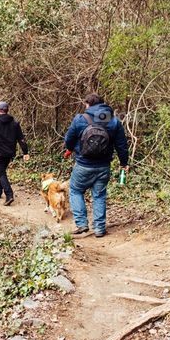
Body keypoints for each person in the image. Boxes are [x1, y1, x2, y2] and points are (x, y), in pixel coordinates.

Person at [62, 92, 129, 238]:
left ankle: (82, 225)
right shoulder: (113, 120)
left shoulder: (80, 119)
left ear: (88, 104)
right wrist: (124, 163)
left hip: (83, 165)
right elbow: (122, 145)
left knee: (75, 190)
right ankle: (99, 228)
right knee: (99, 195)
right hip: (104, 166)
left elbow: (68, 140)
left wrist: (70, 149)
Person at [0, 101, 29, 206]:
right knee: (2, 171)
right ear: (7, 111)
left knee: (1, 173)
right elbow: (21, 139)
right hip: (9, 153)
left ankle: (9, 195)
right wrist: (25, 152)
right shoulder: (15, 123)